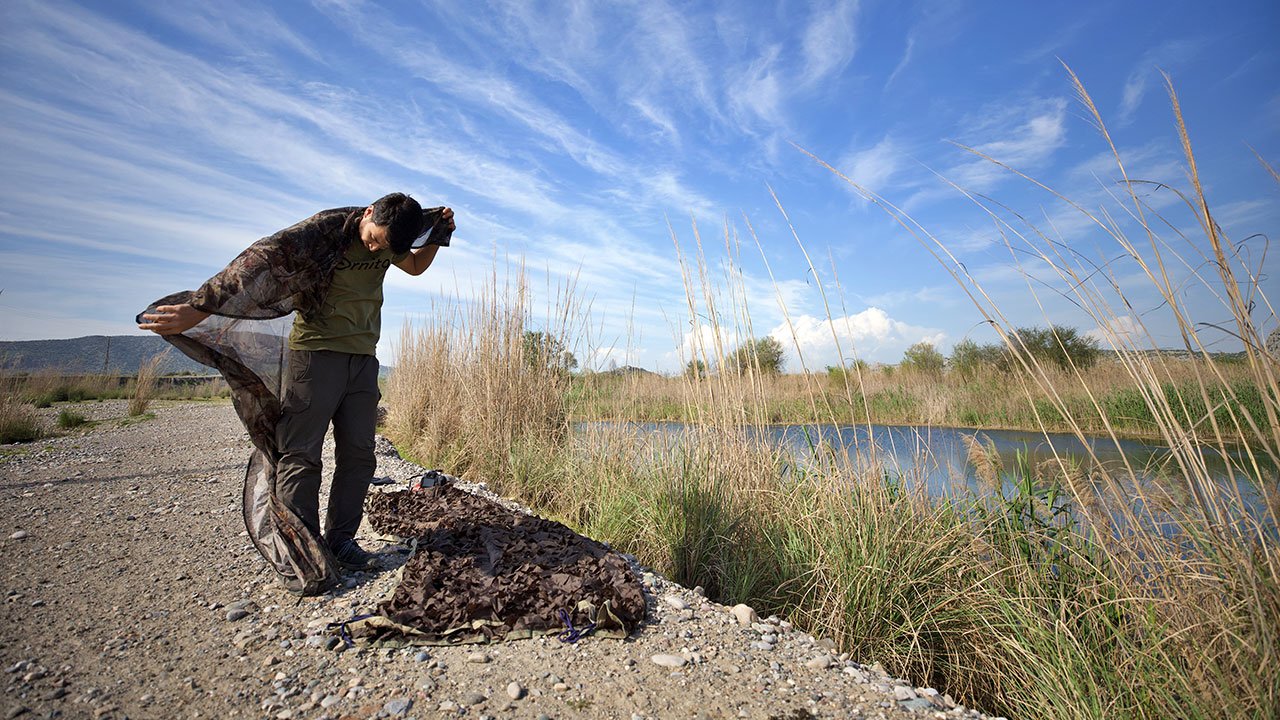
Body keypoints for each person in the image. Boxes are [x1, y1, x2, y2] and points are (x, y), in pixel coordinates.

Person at [140, 193, 454, 572]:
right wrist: (199, 307)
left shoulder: (393, 239)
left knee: (358, 454)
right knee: (301, 453)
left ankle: (341, 542)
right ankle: (301, 549)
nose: (374, 248)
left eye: (383, 247)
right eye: (373, 238)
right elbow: (255, 263)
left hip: (363, 360)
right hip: (315, 357)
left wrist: (437, 234)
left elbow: (417, 265)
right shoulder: (322, 233)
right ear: (369, 212)